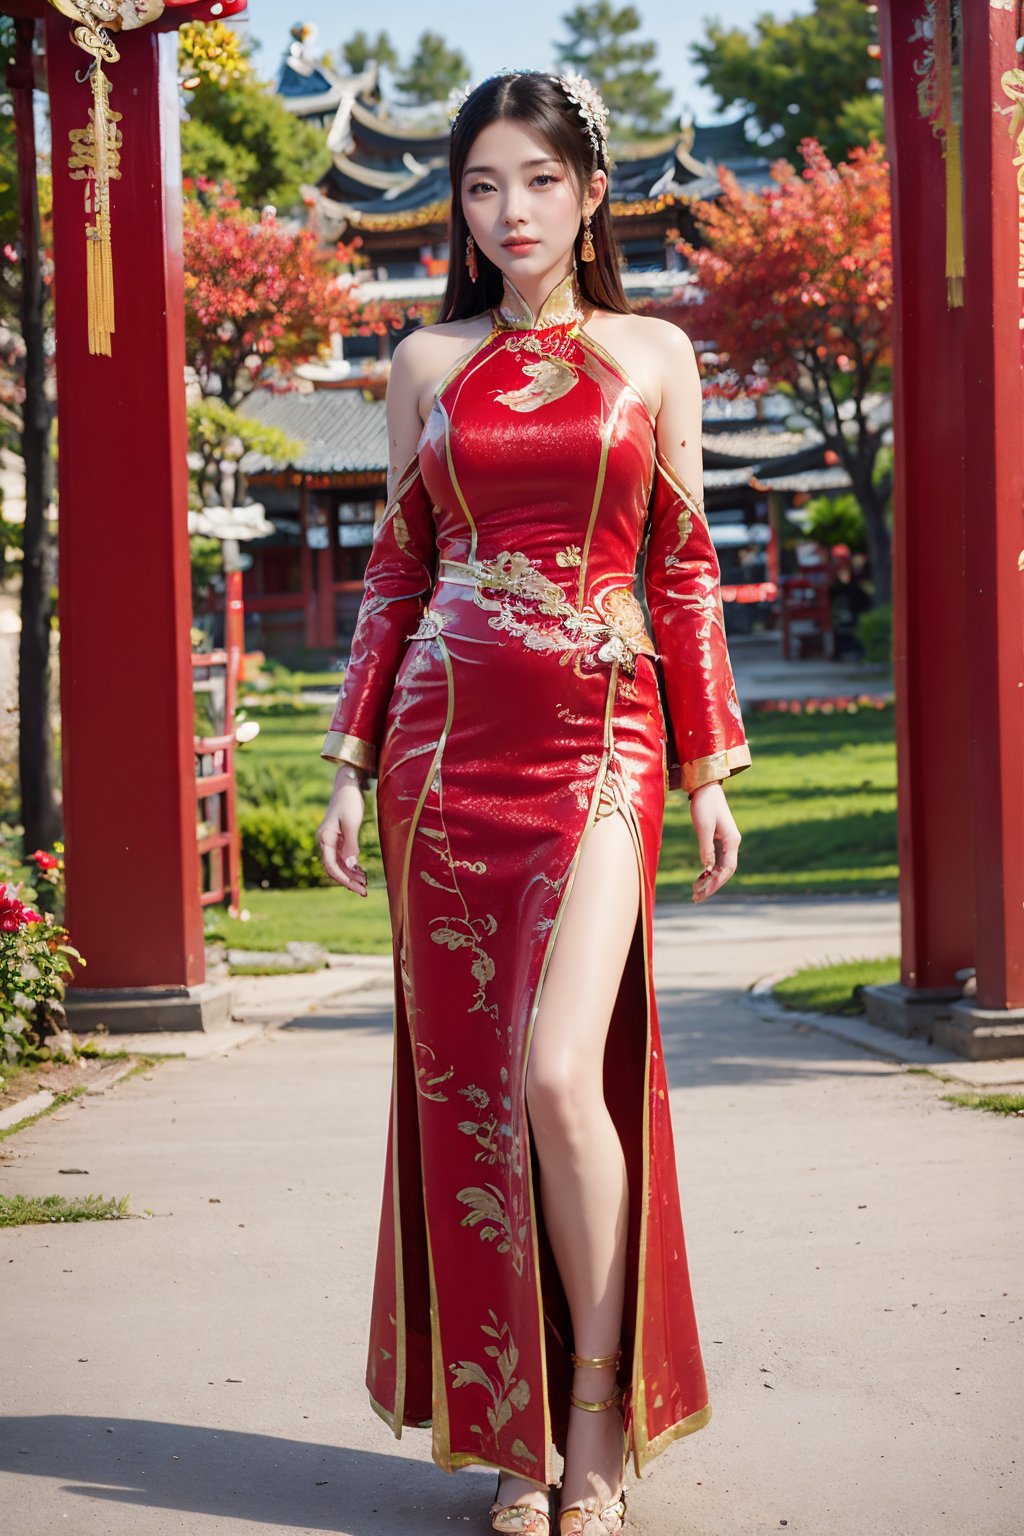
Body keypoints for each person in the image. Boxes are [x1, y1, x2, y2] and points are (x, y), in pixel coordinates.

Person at [316, 67, 751, 1536]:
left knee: (565, 1073)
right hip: (446, 757)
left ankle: (592, 1420)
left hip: (606, 741)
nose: (511, 211)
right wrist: (349, 756)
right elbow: (395, 573)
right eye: (484, 184)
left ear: (591, 193)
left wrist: (708, 766)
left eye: (540, 182)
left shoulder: (653, 352)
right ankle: (509, 1437)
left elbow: (683, 567)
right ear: (458, 201)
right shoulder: (425, 362)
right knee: (483, 1107)